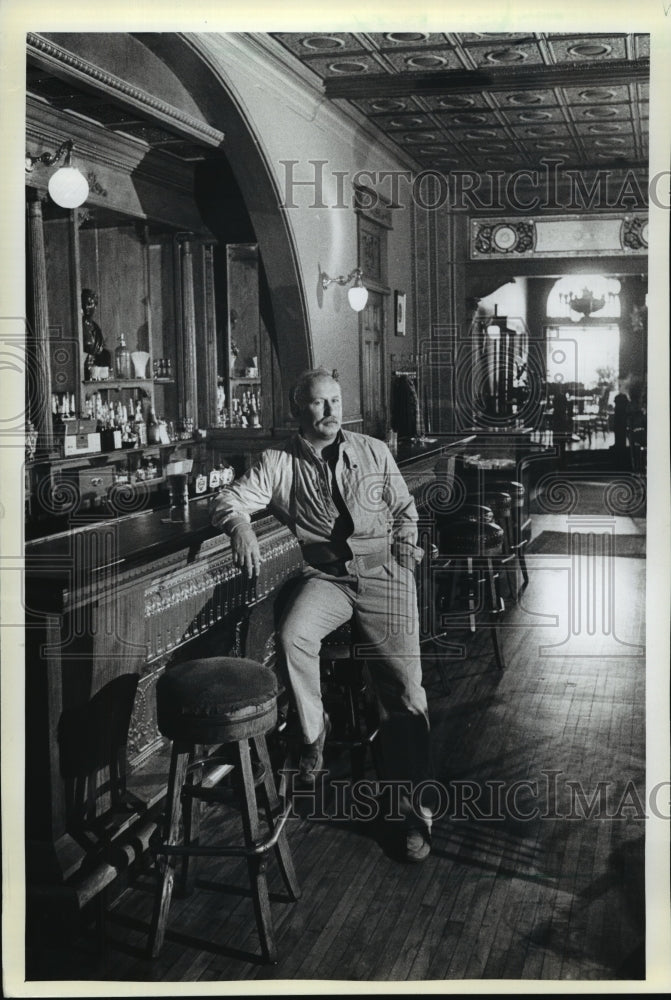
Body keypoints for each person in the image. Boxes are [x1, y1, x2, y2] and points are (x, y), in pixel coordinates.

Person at [211, 367, 432, 861]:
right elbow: (230, 497)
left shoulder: (373, 450)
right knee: (293, 636)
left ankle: (415, 814)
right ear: (297, 410)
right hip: (327, 579)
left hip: (384, 574)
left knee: (407, 695)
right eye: (318, 403)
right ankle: (312, 734)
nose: (330, 411)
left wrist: (405, 551)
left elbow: (405, 509)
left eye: (334, 400)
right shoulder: (278, 461)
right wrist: (240, 528)